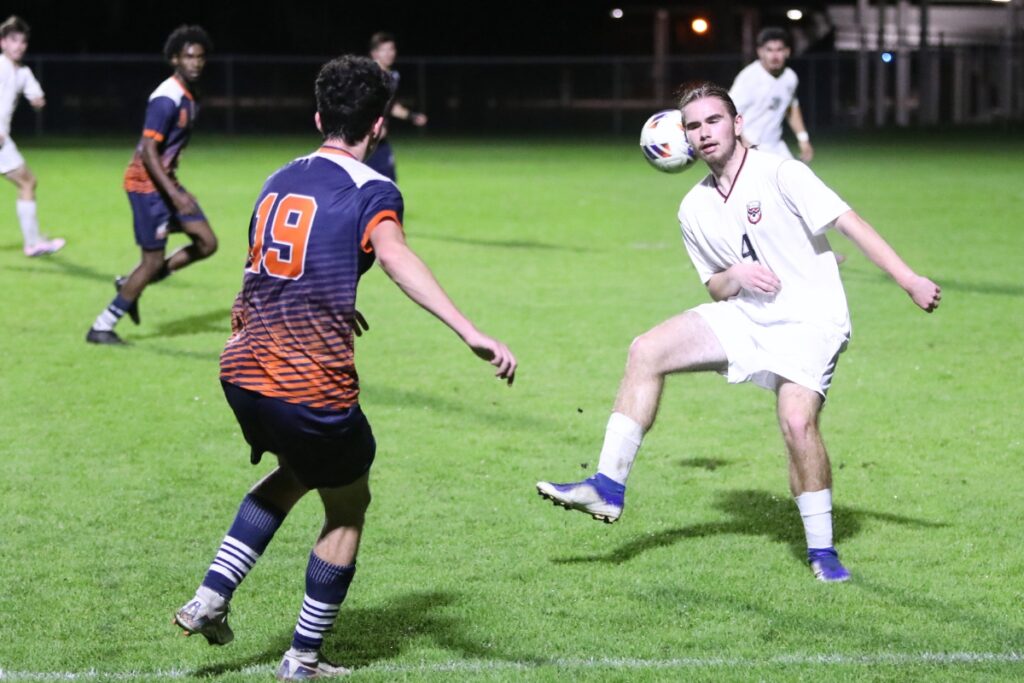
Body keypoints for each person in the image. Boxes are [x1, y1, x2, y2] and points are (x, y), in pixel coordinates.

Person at [172, 55, 516, 679]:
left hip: (241, 370)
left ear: (318, 117)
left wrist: (329, 302)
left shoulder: (279, 177)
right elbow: (393, 255)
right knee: (348, 503)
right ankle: (302, 658)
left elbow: (264, 270)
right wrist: (470, 331)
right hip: (307, 384)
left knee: (298, 472)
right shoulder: (374, 189)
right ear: (378, 126)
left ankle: (210, 598)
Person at [536, 82, 940, 583]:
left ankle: (822, 552)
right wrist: (739, 276)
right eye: (693, 126)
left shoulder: (781, 172)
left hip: (811, 319)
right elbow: (716, 286)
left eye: (713, 121)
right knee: (647, 349)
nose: (704, 133)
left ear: (737, 124)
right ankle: (607, 486)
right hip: (749, 315)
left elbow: (849, 223)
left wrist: (908, 279)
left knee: (796, 424)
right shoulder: (693, 208)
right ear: (683, 138)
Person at [86, 25, 216, 345]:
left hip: (165, 183)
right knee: (152, 260)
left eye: (200, 57)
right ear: (174, 59)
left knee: (206, 242)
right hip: (146, 186)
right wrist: (174, 194)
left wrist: (176, 188)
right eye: (188, 57)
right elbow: (147, 150)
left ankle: (129, 283)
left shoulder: (191, 94)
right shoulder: (166, 99)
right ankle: (103, 325)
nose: (196, 63)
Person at [0, 15, 64, 257]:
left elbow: (36, 96)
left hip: (2, 140)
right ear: (2, 43)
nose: (19, 46)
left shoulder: (23, 72)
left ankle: (33, 242)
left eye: (23, 42)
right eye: (13, 40)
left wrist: (37, 100)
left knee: (27, 182)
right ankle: (33, 243)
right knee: (27, 182)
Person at [729, 27, 813, 163]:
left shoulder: (790, 77)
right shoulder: (749, 77)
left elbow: (791, 108)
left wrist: (803, 139)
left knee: (797, 180)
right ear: (760, 52)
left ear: (787, 52)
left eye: (779, 50)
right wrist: (744, 143)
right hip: (750, 147)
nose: (774, 56)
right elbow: (729, 113)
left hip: (776, 147)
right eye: (769, 50)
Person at [365, 31, 427, 182]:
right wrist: (371, 128)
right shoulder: (367, 76)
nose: (389, 53)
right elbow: (358, 105)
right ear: (374, 53)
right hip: (362, 139)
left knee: (388, 182)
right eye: (384, 50)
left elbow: (391, 106)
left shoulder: (393, 77)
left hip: (379, 141)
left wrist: (412, 116)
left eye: (391, 49)